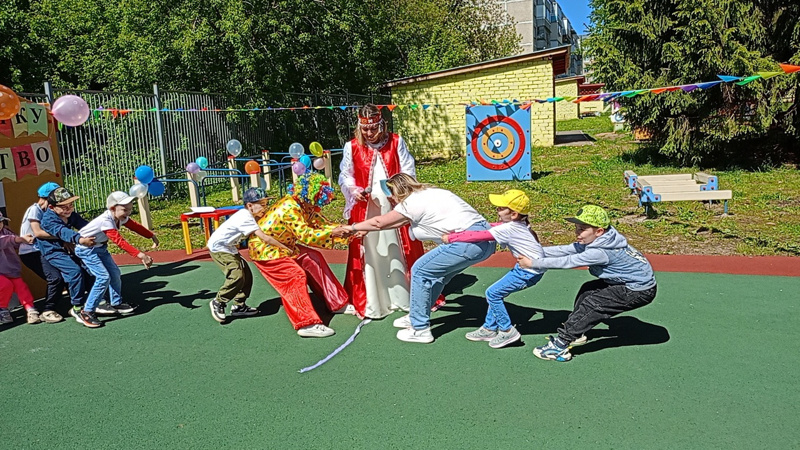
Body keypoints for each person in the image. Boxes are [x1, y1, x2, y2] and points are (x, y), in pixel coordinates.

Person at [350, 173, 495, 344]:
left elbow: (380, 222)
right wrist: (367, 229)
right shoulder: (429, 194)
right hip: (485, 241)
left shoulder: (411, 202)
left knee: (420, 270)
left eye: (392, 195)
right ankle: (415, 316)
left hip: (468, 243)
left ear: (398, 192)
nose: (392, 200)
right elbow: (395, 223)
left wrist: (350, 227)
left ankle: (420, 329)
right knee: (438, 276)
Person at [516, 205, 657, 362]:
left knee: (594, 304)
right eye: (577, 228)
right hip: (630, 282)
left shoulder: (599, 252)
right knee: (588, 290)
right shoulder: (604, 239)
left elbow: (568, 261)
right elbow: (567, 250)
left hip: (638, 290)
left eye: (582, 229)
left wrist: (533, 263)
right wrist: (536, 251)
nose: (577, 232)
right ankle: (577, 332)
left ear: (599, 231)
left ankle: (559, 346)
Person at [339, 103, 442, 319]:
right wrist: (353, 189)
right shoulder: (352, 146)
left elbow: (407, 169)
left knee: (399, 247)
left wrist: (398, 191)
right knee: (370, 250)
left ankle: (404, 295)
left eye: (373, 128)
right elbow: (345, 174)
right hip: (366, 206)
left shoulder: (396, 142)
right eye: (365, 129)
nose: (369, 133)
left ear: (381, 125)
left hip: (394, 203)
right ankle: (374, 299)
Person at [248, 173, 351, 338]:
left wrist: (348, 231)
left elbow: (322, 223)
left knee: (313, 258)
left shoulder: (305, 205)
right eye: (314, 204)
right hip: (266, 250)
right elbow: (306, 234)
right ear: (307, 197)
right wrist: (333, 232)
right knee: (294, 276)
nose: (315, 208)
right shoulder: (290, 208)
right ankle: (307, 323)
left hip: (285, 246)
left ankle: (336, 302)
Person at [441, 189, 545, 349]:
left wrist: (452, 238)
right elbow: (492, 226)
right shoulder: (519, 225)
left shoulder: (509, 229)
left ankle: (507, 330)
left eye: (501, 208)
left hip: (528, 271)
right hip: (529, 269)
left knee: (493, 293)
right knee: (496, 292)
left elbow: (479, 236)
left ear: (514, 214)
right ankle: (489, 328)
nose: (497, 210)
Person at [73, 191, 160, 325]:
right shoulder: (105, 221)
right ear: (112, 208)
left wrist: (150, 235)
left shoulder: (120, 217)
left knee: (114, 273)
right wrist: (140, 255)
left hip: (100, 248)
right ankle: (87, 311)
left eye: (130, 209)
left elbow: (134, 226)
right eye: (125, 210)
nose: (128, 213)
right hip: (87, 250)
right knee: (103, 277)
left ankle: (116, 303)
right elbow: (119, 241)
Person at [207, 187, 290, 324]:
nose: (265, 207)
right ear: (250, 205)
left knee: (247, 275)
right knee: (237, 275)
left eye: (266, 204)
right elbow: (265, 237)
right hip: (219, 248)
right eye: (262, 204)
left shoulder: (250, 215)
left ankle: (239, 305)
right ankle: (219, 302)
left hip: (229, 247)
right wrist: (284, 247)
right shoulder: (245, 216)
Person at [39, 187, 97, 327]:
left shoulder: (71, 215)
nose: (69, 208)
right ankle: (77, 307)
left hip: (67, 248)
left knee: (88, 268)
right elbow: (62, 232)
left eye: (71, 204)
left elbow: (85, 226)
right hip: (53, 251)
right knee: (74, 272)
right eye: (64, 206)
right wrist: (80, 239)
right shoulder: (48, 219)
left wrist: (99, 230)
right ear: (52, 207)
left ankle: (95, 299)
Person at [17, 182, 65, 323]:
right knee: (55, 278)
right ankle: (47, 310)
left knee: (67, 274)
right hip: (31, 252)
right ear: (49, 197)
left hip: (43, 249)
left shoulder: (49, 210)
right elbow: (37, 233)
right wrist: (65, 236)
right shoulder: (35, 209)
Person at [0, 211, 40, 325]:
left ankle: (30, 309)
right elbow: (5, 241)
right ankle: (2, 310)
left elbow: (14, 243)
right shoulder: (8, 236)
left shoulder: (6, 232)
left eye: (1, 222)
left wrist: (23, 242)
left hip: (11, 269)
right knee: (5, 285)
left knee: (22, 287)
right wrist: (19, 239)